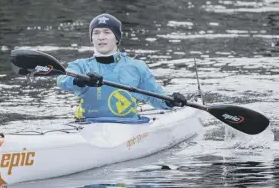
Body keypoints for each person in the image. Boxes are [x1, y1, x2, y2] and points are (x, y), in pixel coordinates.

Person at [57, 13, 188, 122]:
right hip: (89, 125)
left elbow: (155, 97)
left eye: (107, 32)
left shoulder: (136, 67)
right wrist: (78, 80)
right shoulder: (81, 66)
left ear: (117, 38)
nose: (101, 37)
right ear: (92, 38)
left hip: (129, 125)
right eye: (96, 33)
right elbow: (62, 79)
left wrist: (171, 102)